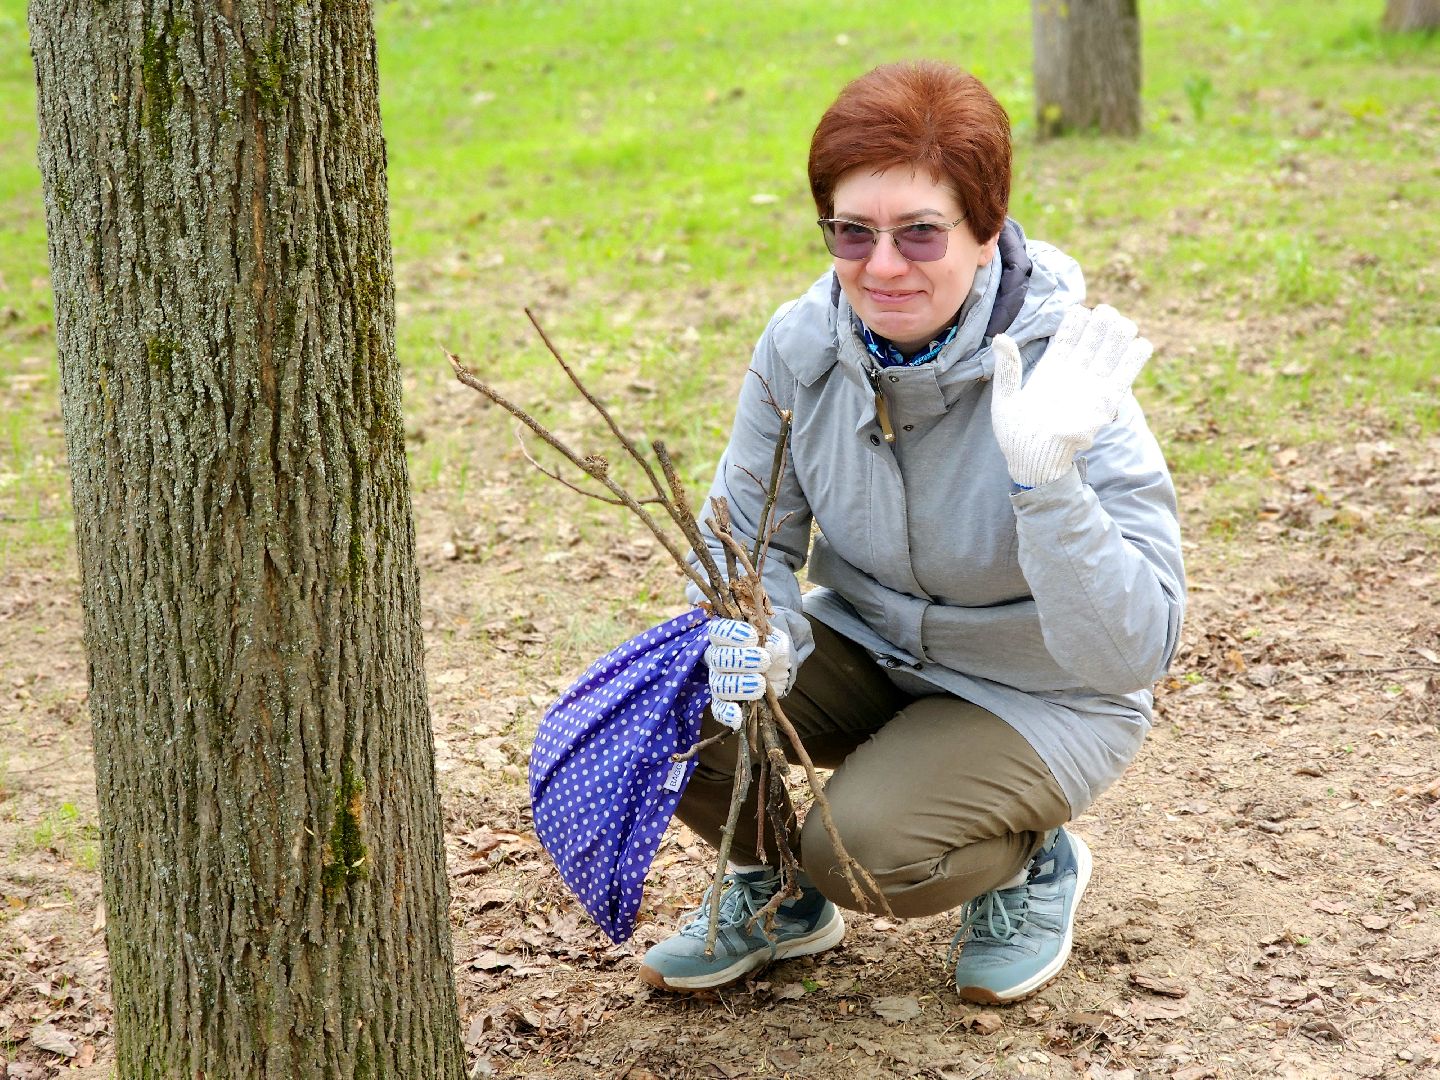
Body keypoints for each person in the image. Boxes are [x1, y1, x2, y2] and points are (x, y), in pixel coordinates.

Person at [637, 60, 1185, 1004]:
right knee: (658, 707)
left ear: (985, 232)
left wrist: (1047, 484)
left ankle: (1029, 861)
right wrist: (750, 624)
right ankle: (781, 899)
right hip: (874, 644)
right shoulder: (801, 344)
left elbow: (1134, 649)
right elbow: (745, 532)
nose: (882, 266)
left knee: (867, 851)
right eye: (853, 231)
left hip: (1044, 692)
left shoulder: (1066, 373)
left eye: (920, 233)